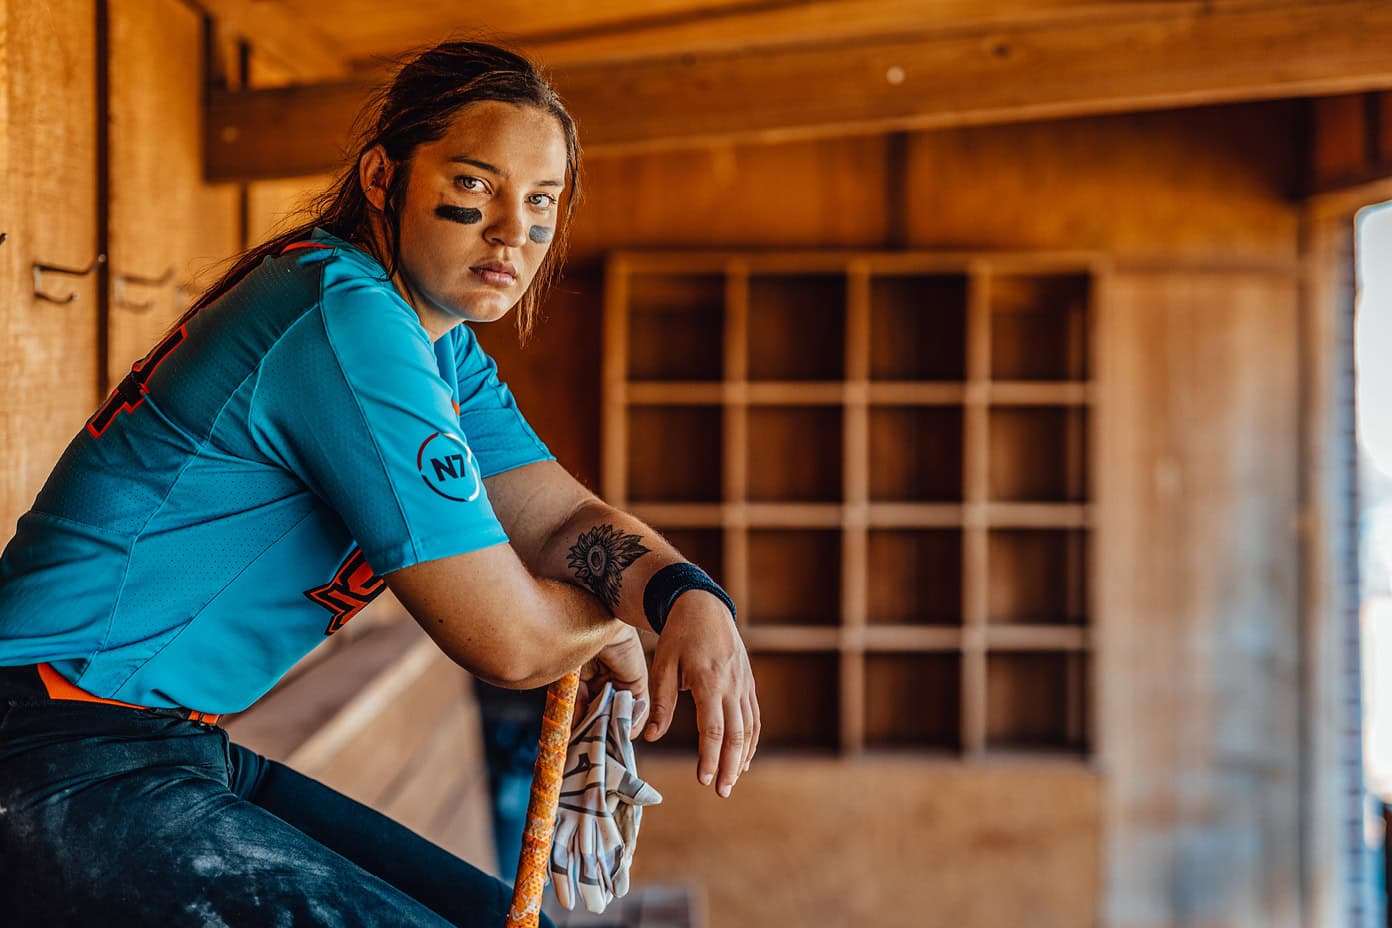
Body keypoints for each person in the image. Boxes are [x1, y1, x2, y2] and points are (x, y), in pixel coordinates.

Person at [0, 40, 758, 927]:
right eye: (475, 186)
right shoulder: (348, 319)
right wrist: (613, 619)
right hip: (51, 741)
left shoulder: (436, 347)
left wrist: (681, 595)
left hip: (152, 741)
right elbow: (507, 641)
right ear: (381, 177)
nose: (513, 230)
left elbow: (561, 520)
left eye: (540, 200)